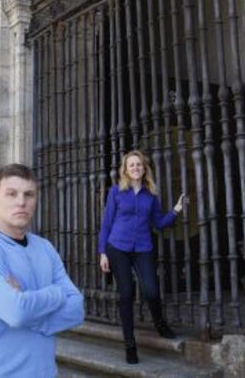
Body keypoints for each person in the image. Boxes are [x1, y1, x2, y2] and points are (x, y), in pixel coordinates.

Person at [0, 164, 84, 378]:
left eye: (29, 194)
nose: (21, 202)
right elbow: (16, 312)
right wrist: (57, 293)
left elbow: (77, 309)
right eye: (11, 194)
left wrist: (26, 305)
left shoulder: (45, 248)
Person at [99, 150, 184, 365]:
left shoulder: (151, 195)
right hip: (117, 247)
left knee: (151, 291)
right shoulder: (116, 192)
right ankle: (130, 345)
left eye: (139, 165)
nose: (135, 168)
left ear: (144, 168)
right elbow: (107, 223)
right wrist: (102, 252)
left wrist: (175, 211)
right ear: (125, 170)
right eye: (131, 165)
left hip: (143, 247)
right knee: (126, 293)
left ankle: (160, 324)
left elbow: (158, 223)